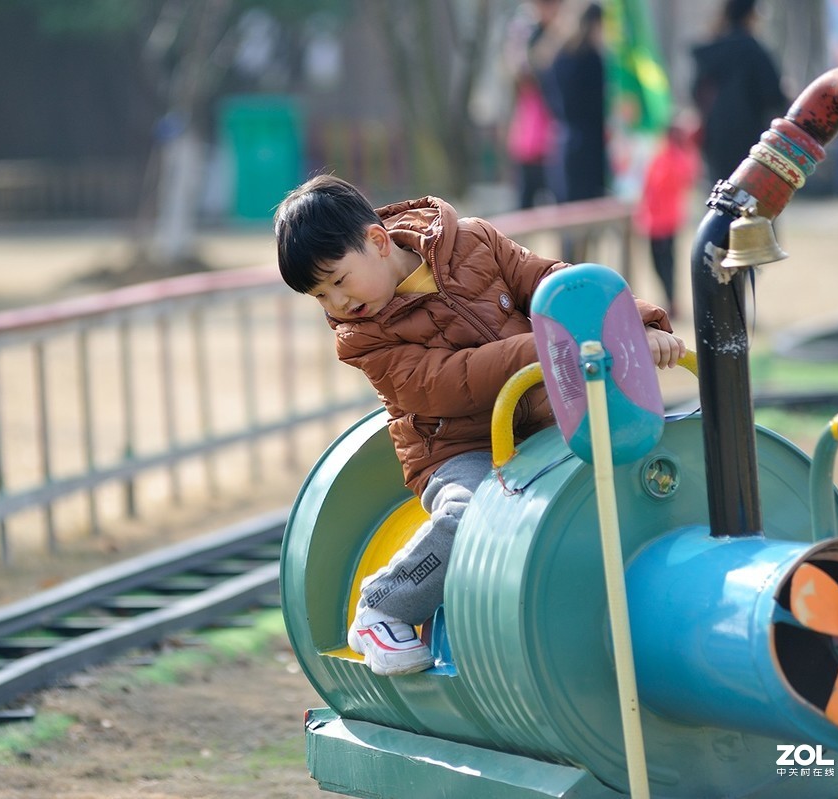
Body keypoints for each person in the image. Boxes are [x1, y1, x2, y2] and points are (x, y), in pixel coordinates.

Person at [273, 174, 684, 675]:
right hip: (456, 449)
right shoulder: (362, 339)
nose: (337, 305)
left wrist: (634, 324)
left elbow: (553, 282)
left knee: (637, 463)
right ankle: (384, 607)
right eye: (320, 297)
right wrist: (552, 344)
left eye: (338, 280)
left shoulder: (472, 241)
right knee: (472, 514)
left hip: (546, 420)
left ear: (378, 241)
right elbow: (451, 381)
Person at [690, 0, 788, 186]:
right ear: (750, 15)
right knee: (752, 199)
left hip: (715, 138)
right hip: (749, 138)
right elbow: (773, 95)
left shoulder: (712, 51)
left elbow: (696, 92)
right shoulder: (752, 50)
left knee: (721, 196)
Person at [547, 2, 608, 262]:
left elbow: (551, 100)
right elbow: (598, 108)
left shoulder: (558, 56)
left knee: (566, 219)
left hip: (562, 144)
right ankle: (584, 271)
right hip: (589, 146)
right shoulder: (592, 57)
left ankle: (565, 269)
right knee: (588, 219)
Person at [634, 113, 701, 319]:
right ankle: (670, 299)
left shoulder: (676, 158)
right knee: (659, 263)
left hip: (666, 221)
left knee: (666, 264)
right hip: (656, 220)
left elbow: (679, 181)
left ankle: (672, 301)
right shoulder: (663, 156)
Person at [503, 0, 564, 209]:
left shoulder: (562, 36)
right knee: (525, 203)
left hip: (551, 138)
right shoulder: (529, 31)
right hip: (531, 135)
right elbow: (520, 71)